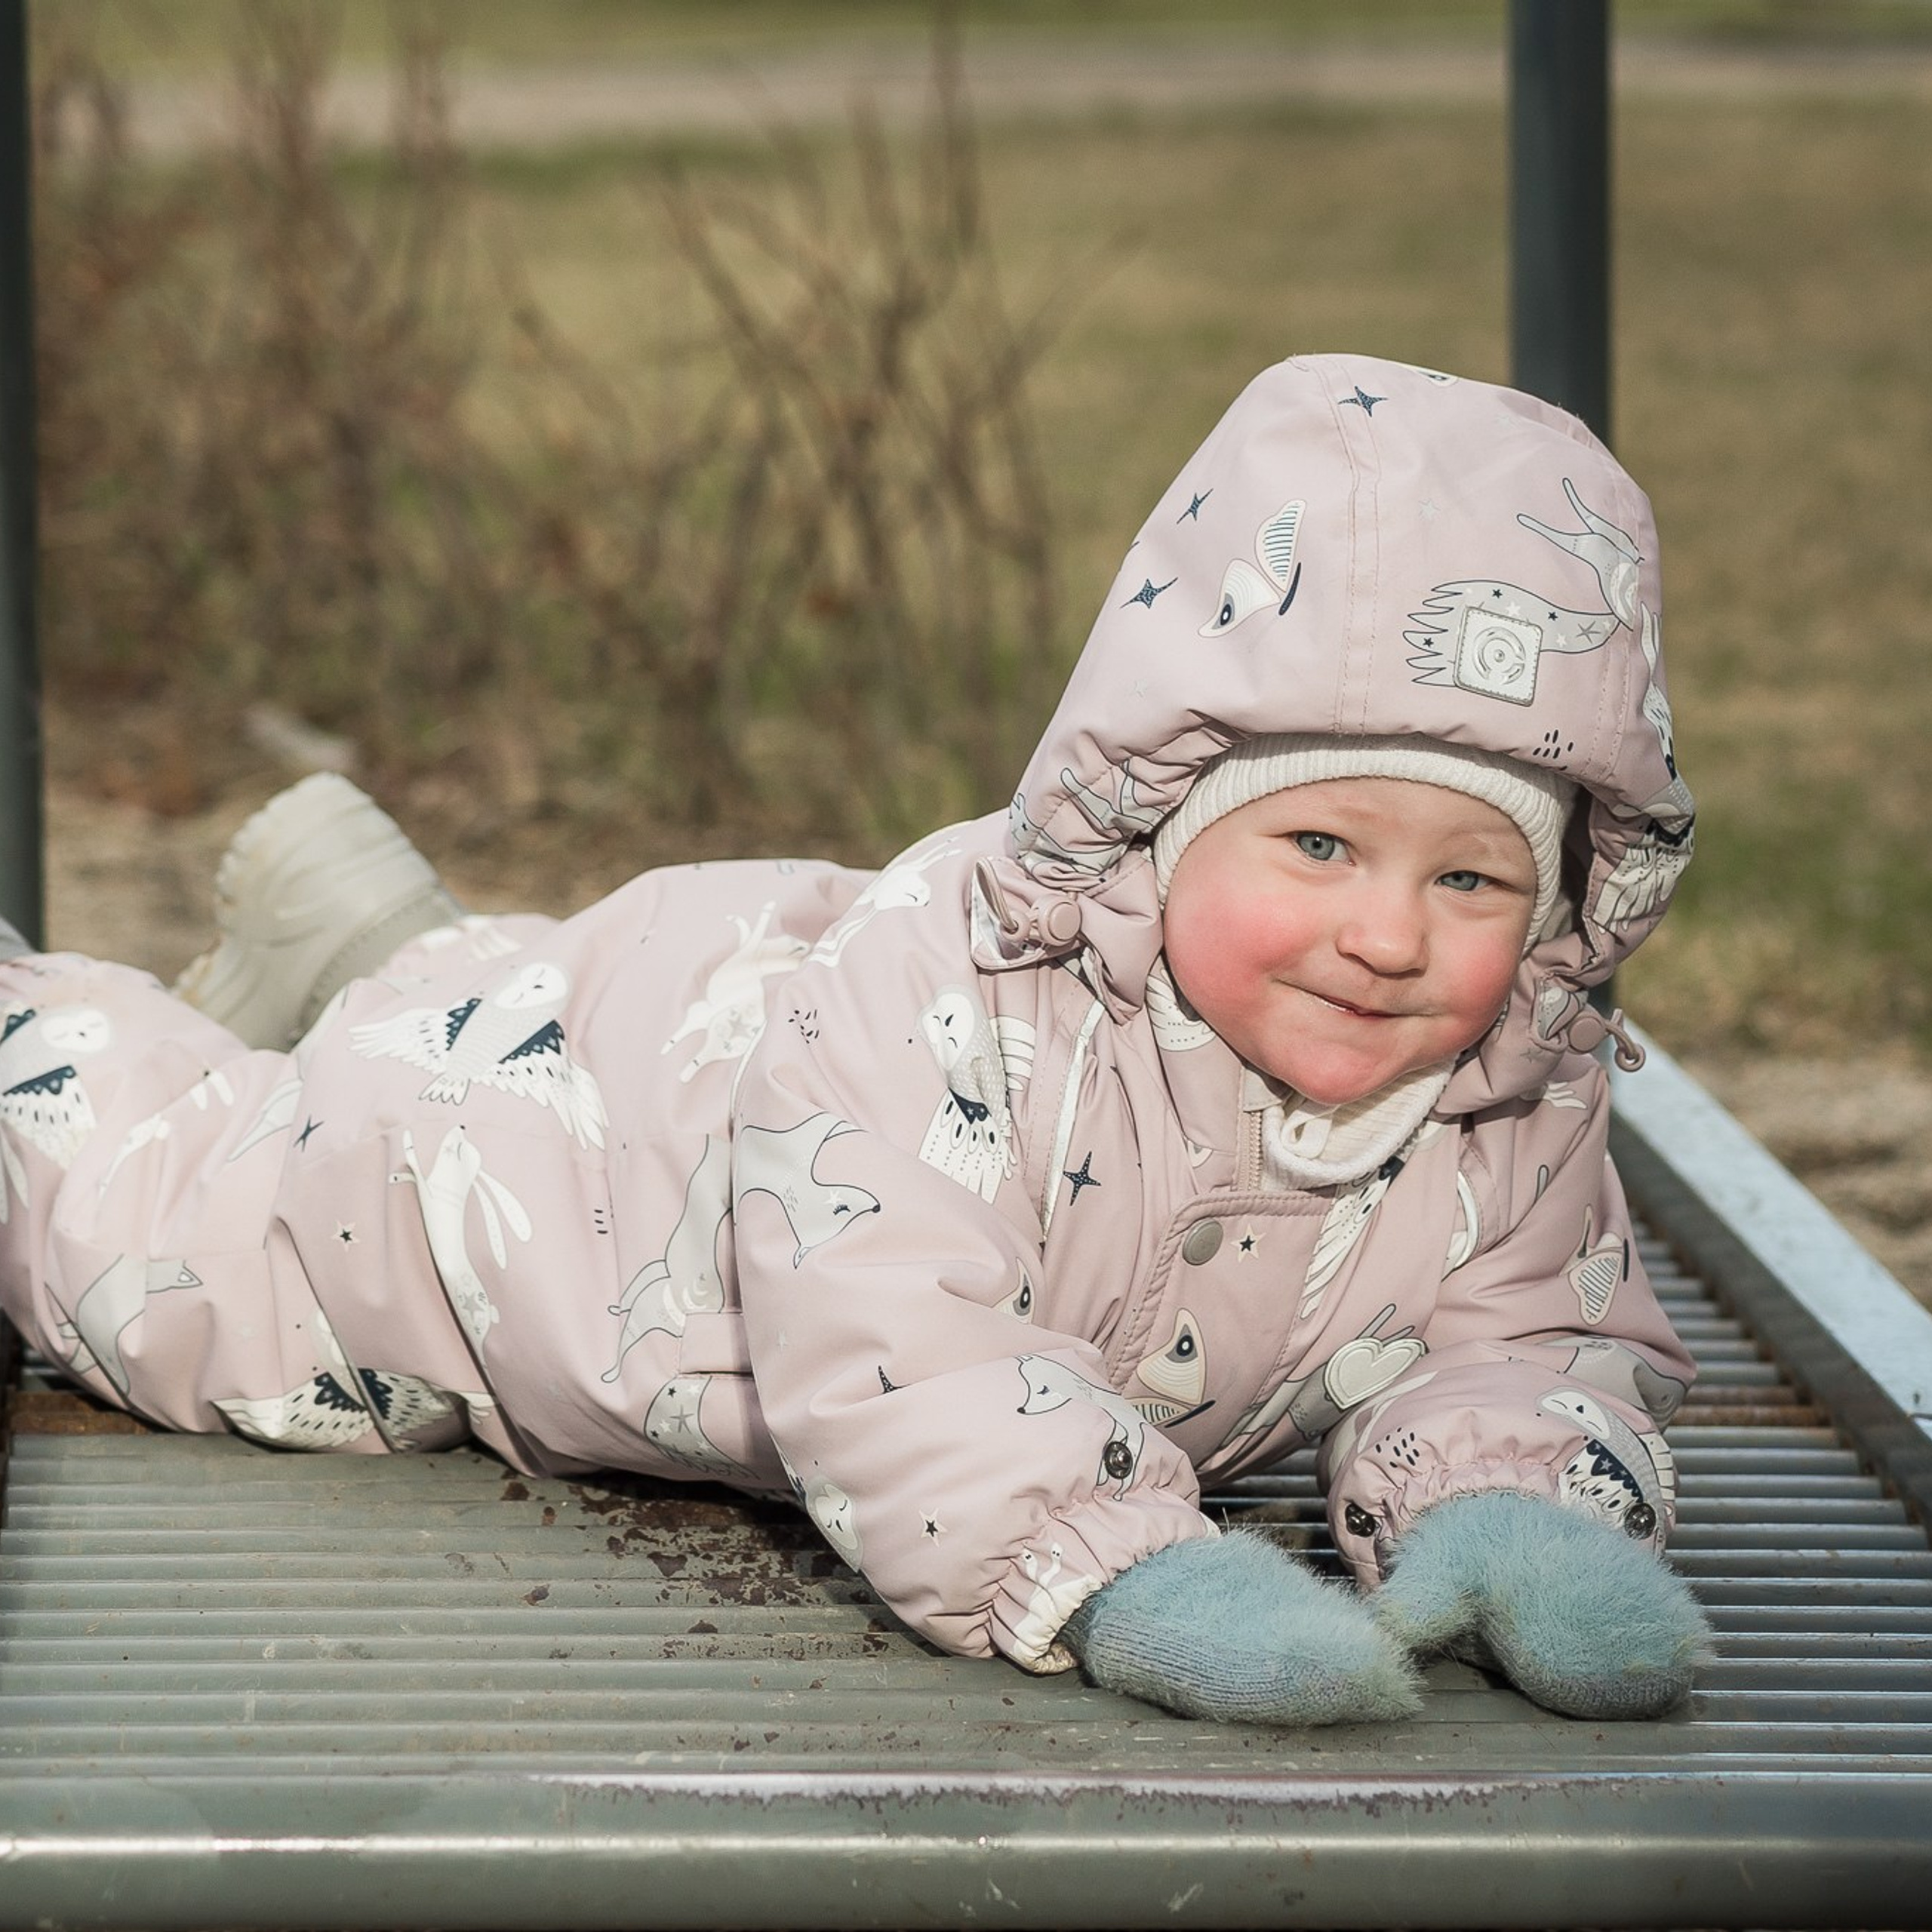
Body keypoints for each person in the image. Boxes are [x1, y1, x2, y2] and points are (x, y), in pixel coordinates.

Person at [0, 354, 1709, 1726]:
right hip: (568, 1194)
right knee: (187, 1252)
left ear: (1563, 900)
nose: (1388, 932)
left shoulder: (1508, 1082)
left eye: (1473, 872)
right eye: (1317, 847)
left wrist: (1515, 1511)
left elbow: (1533, 1323)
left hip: (713, 1015)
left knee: (455, 1031)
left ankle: (381, 948)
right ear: (1164, 825)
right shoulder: (958, 1009)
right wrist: (1112, 1565)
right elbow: (895, 1330)